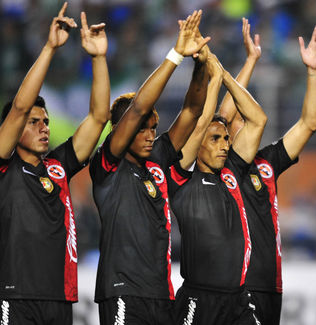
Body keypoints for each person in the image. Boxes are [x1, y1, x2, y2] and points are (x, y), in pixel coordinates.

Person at [0, 4, 109, 324]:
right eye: (34, 122)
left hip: (60, 298)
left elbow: (98, 118)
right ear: (12, 128)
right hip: (17, 296)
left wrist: (98, 58)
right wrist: (50, 48)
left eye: (47, 121)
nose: (44, 127)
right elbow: (21, 106)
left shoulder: (58, 166)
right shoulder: (0, 168)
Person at [88, 10, 210, 324]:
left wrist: (199, 63)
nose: (150, 134)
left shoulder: (157, 160)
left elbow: (193, 109)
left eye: (153, 128)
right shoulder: (107, 165)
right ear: (121, 130)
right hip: (122, 292)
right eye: (142, 128)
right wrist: (175, 54)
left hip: (162, 293)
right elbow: (140, 105)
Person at [217, 20, 316, 324]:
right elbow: (224, 115)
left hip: (271, 285)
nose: (248, 123)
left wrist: (313, 72)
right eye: (242, 119)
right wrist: (250, 62)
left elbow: (309, 123)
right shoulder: (220, 167)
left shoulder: (267, 163)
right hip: (236, 286)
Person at [168, 46, 267, 324]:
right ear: (196, 145)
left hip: (238, 300)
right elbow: (199, 124)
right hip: (199, 299)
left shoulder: (232, 172)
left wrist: (223, 75)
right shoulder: (181, 180)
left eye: (226, 139)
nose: (225, 145)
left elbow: (258, 120)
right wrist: (211, 77)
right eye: (216, 140)